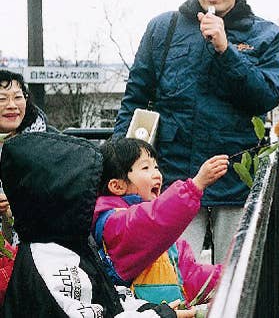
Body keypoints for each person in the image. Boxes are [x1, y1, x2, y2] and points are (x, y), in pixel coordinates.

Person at [113, 0, 279, 262]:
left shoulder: (266, 35)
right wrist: (116, 164)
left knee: (233, 284)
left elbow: (266, 96)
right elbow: (134, 98)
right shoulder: (163, 29)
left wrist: (226, 49)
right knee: (173, 279)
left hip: (236, 182)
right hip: (173, 180)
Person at [0, 132, 191, 317]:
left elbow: (108, 296)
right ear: (59, 198)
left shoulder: (71, 244)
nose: (93, 198)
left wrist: (150, 309)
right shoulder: (46, 261)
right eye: (85, 191)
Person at [93, 138, 228, 306]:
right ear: (117, 186)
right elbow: (154, 219)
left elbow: (189, 276)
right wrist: (194, 186)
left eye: (156, 166)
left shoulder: (163, 237)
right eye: (145, 167)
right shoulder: (114, 225)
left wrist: (228, 276)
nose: (156, 173)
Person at [0, 70, 54, 246]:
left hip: (33, 244)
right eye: (2, 99)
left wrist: (17, 203)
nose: (12, 106)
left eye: (18, 97)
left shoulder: (46, 143)